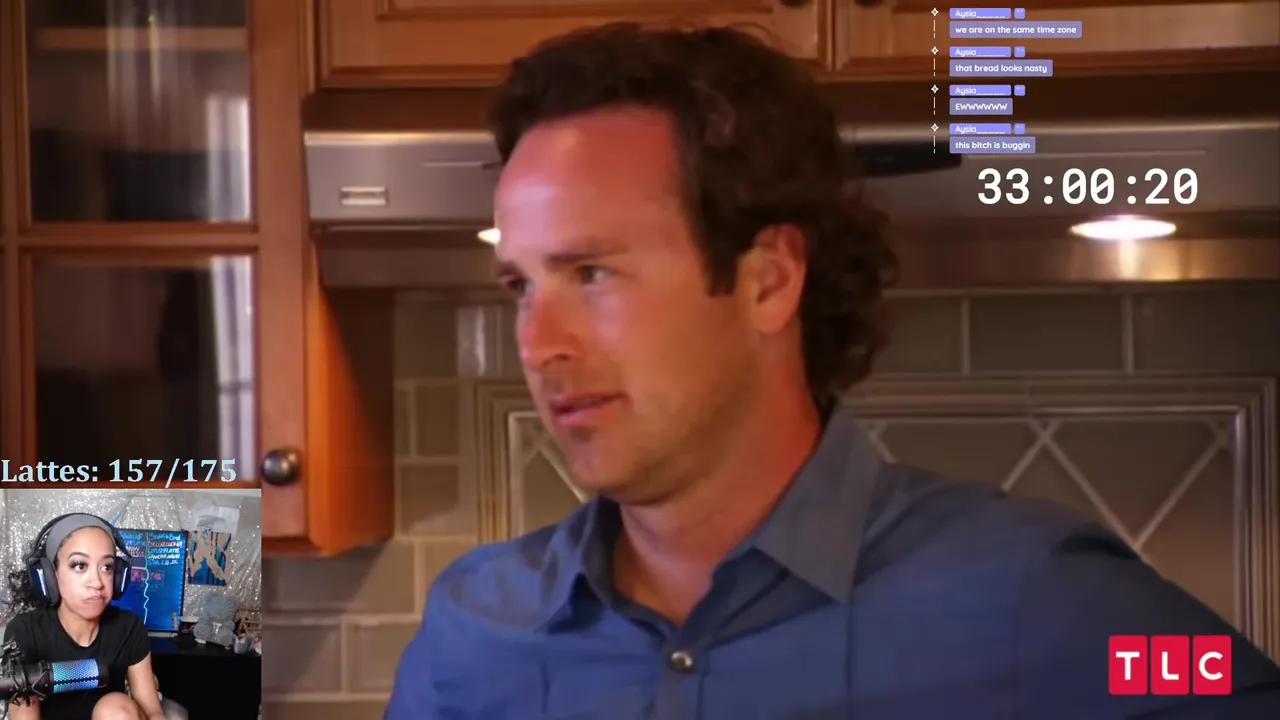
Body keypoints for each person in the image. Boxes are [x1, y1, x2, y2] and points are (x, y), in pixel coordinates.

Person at [386, 22, 1280, 719]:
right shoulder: (474, 639)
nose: (538, 343)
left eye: (592, 273)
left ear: (769, 280)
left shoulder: (1042, 603)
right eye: (520, 285)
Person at [5, 513, 166, 720]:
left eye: (107, 567)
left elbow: (152, 711)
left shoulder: (129, 628)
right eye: (79, 565)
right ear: (49, 574)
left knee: (115, 708)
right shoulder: (25, 631)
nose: (97, 582)